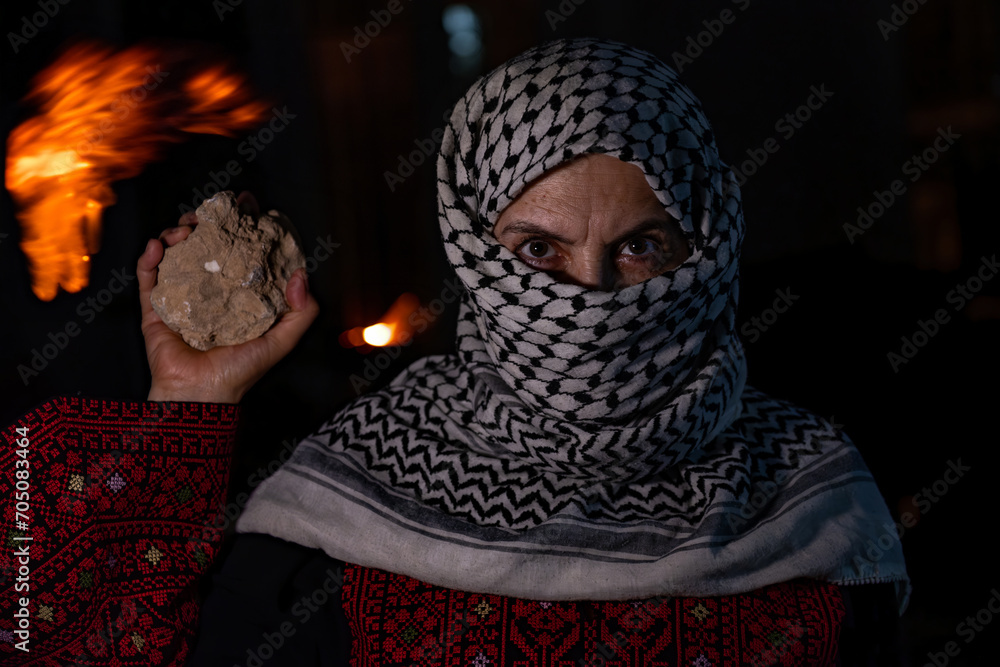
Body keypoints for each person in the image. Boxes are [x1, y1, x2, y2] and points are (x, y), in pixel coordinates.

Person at [0, 38, 908, 666]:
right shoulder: (354, 492)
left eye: (640, 246)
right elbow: (67, 639)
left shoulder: (810, 492)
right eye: (538, 253)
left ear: (703, 250)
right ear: (475, 254)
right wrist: (189, 406)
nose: (586, 299)